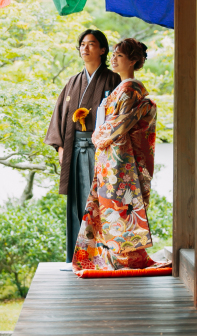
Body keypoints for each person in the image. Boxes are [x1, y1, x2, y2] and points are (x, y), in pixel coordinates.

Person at [71, 38, 167, 272]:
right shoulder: (123, 87)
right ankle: (119, 254)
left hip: (121, 160)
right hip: (114, 157)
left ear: (134, 60)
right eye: (113, 54)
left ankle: (126, 257)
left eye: (120, 55)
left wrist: (96, 137)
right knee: (112, 206)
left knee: (121, 206)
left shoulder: (129, 88)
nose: (113, 58)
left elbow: (119, 124)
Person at [45, 29, 121, 263]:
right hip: (74, 148)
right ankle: (76, 257)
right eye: (82, 44)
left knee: (100, 201)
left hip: (101, 148)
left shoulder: (112, 80)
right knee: (78, 201)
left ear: (103, 50)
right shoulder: (73, 82)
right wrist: (60, 148)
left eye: (91, 44)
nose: (85, 48)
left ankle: (101, 257)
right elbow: (60, 115)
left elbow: (117, 116)